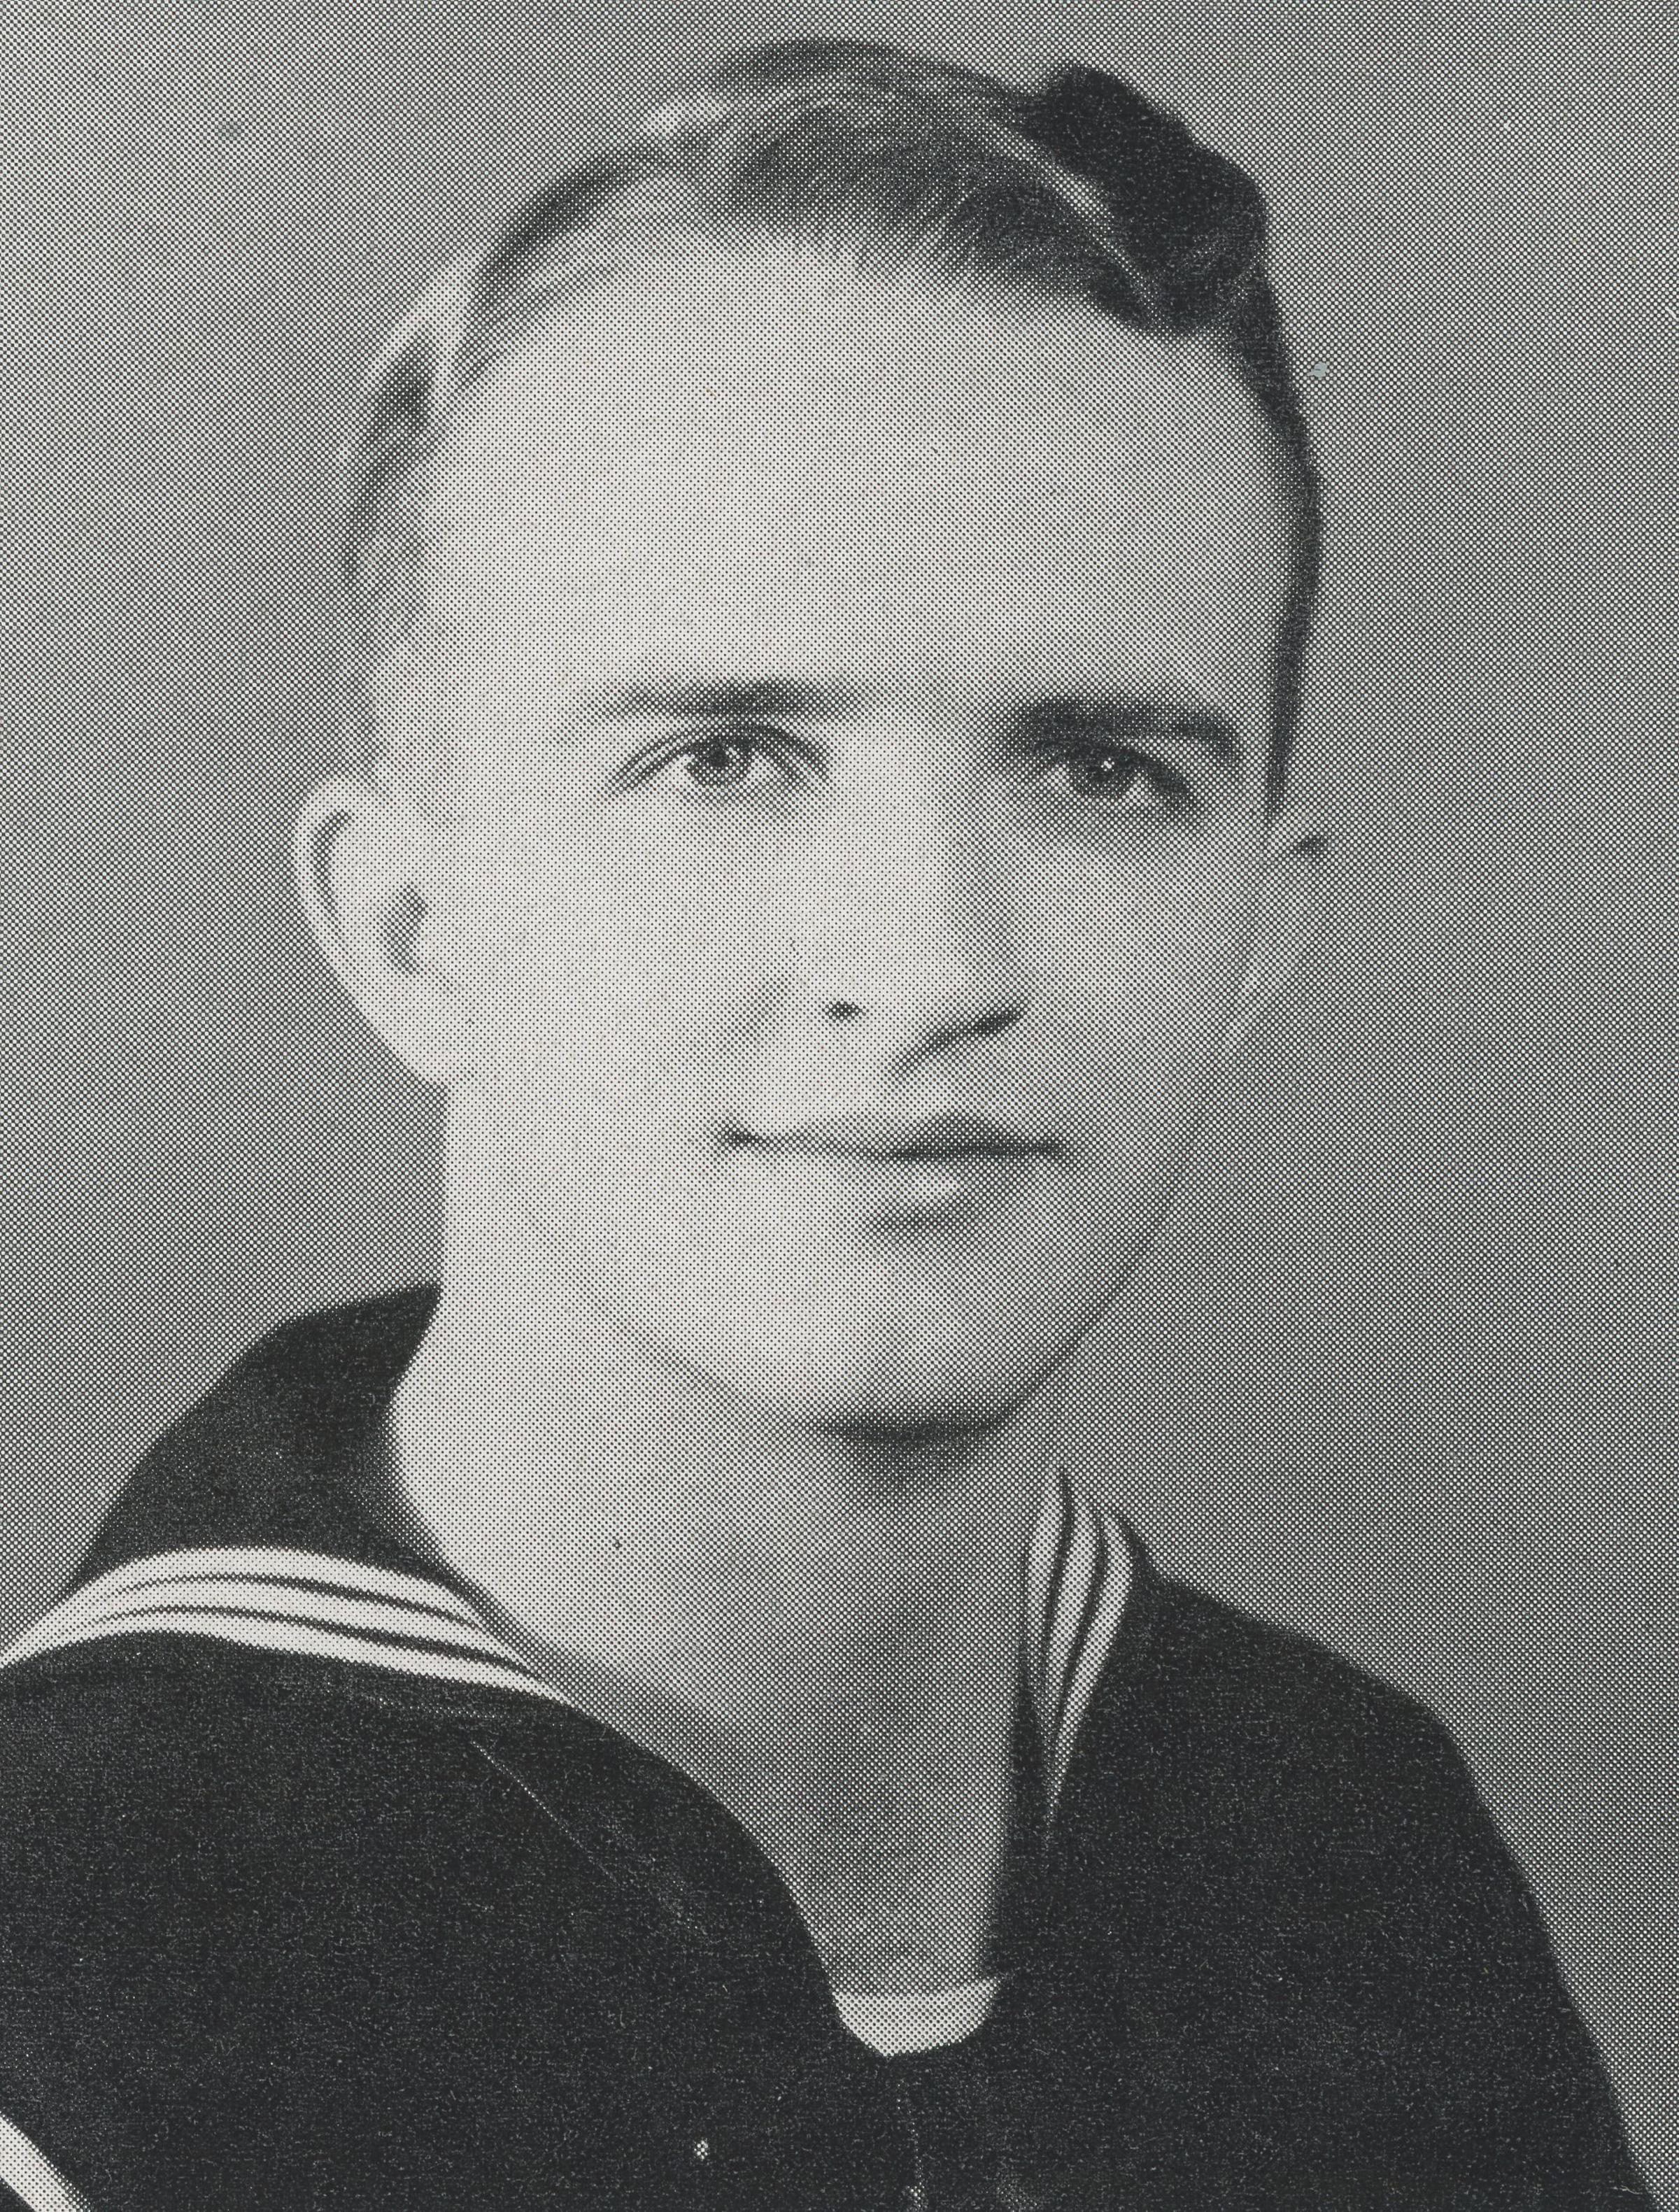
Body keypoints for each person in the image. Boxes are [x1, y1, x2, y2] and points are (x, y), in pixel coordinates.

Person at [0, 38, 1650, 2212]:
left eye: (1100, 770)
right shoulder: (72, 1989)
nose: (931, 956)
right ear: (412, 928)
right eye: (725, 758)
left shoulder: (1347, 1865)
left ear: (1255, 938)